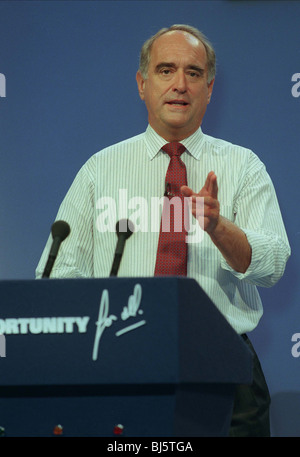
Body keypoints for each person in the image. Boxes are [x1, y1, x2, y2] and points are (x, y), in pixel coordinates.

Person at [36, 24, 291, 436]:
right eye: (165, 70)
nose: (179, 85)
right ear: (142, 84)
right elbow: (58, 275)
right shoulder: (100, 170)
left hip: (223, 375)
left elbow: (273, 264)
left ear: (209, 88)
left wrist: (216, 227)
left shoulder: (244, 168)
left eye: (193, 73)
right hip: (120, 363)